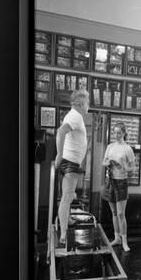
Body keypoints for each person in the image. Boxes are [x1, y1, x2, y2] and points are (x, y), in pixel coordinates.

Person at [55, 89, 89, 246]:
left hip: (70, 162)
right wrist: (59, 154)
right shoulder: (75, 116)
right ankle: (63, 234)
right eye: (87, 102)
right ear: (81, 104)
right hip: (69, 162)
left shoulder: (74, 116)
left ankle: (67, 220)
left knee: (68, 196)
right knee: (67, 197)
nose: (88, 106)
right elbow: (61, 132)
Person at [102, 122, 135, 252]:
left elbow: (132, 168)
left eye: (119, 133)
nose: (116, 135)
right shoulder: (110, 147)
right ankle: (117, 238)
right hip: (110, 181)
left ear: (124, 133)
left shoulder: (127, 149)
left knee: (121, 214)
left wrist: (124, 167)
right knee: (114, 213)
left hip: (121, 182)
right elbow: (103, 161)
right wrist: (107, 163)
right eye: (115, 132)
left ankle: (125, 242)